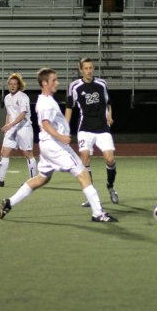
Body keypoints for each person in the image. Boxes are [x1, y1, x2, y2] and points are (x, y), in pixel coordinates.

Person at [0, 67, 118, 223]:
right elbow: (46, 124)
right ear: (44, 83)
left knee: (41, 179)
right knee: (83, 173)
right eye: (54, 80)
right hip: (56, 146)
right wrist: (61, 136)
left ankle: (9, 202)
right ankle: (98, 213)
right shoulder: (45, 103)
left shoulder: (45, 99)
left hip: (48, 147)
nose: (57, 82)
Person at [65, 57, 119, 207]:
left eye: (91, 68)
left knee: (109, 159)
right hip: (85, 128)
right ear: (81, 70)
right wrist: (65, 129)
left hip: (102, 127)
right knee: (85, 158)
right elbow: (69, 107)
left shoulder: (101, 84)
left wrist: (110, 114)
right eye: (86, 68)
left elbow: (108, 102)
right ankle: (92, 195)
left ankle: (111, 186)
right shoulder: (74, 86)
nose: (89, 71)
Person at [0, 72, 37, 187]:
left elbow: (23, 114)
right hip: (12, 129)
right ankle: (0, 180)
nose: (12, 86)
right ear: (8, 85)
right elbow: (9, 114)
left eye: (15, 84)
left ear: (18, 85)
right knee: (4, 152)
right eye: (10, 84)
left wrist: (10, 125)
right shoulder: (7, 98)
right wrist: (7, 127)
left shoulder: (23, 96)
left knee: (28, 154)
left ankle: (33, 181)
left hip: (24, 128)